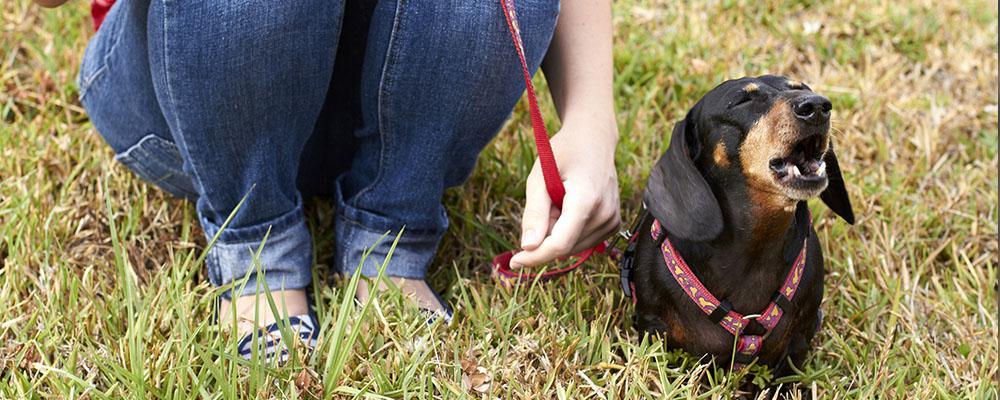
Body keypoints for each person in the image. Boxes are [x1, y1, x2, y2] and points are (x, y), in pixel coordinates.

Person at [39, 0, 620, 361]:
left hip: (401, 90)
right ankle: (257, 254)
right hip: (193, 91)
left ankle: (391, 237)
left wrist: (593, 123)